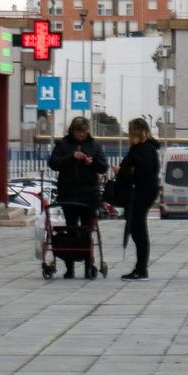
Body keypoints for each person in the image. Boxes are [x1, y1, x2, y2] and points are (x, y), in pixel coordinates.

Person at [49, 116, 108, 279]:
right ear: (73, 131)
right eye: (78, 132)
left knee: (87, 230)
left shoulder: (95, 146)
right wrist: (71, 157)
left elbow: (103, 167)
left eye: (84, 132)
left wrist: (92, 162)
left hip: (89, 195)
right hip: (68, 193)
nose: (81, 135)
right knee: (71, 229)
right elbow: (53, 163)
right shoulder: (63, 144)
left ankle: (89, 265)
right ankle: (70, 267)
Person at [114, 117, 161, 281]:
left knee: (138, 228)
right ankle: (140, 267)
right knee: (136, 228)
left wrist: (122, 172)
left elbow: (142, 172)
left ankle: (141, 269)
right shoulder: (142, 148)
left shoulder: (145, 149)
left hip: (142, 192)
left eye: (131, 132)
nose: (128, 136)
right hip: (141, 191)